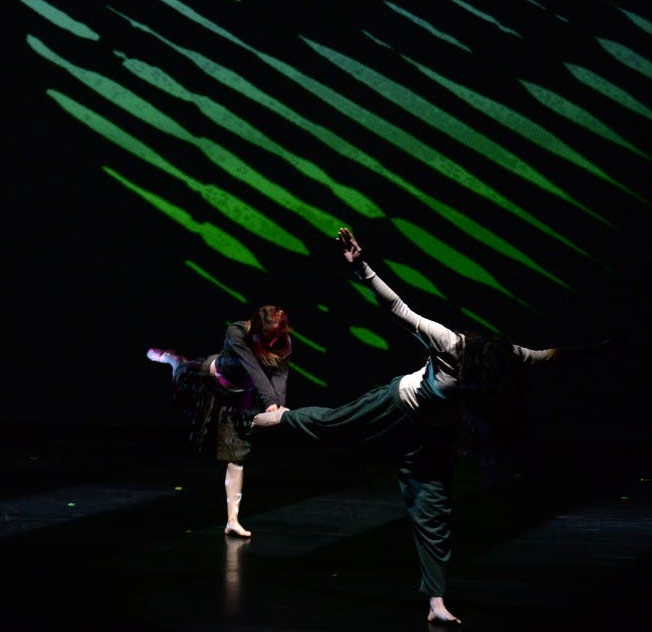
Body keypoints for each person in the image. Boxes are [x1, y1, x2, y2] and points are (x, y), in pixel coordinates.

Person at [252, 227, 610, 625]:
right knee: (333, 426)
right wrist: (362, 268)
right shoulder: (449, 343)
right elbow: (399, 310)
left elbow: (548, 356)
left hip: (431, 437)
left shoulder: (507, 358)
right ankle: (282, 417)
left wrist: (599, 350)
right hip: (395, 406)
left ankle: (436, 602)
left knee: (433, 511)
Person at [147, 305, 292, 538]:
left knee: (237, 455)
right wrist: (270, 404)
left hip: (240, 395)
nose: (273, 342)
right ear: (257, 329)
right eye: (269, 337)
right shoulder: (236, 333)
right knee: (182, 379)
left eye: (277, 337)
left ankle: (232, 521)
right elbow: (254, 369)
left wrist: (279, 405)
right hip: (209, 378)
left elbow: (280, 375)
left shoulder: (283, 343)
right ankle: (174, 360)